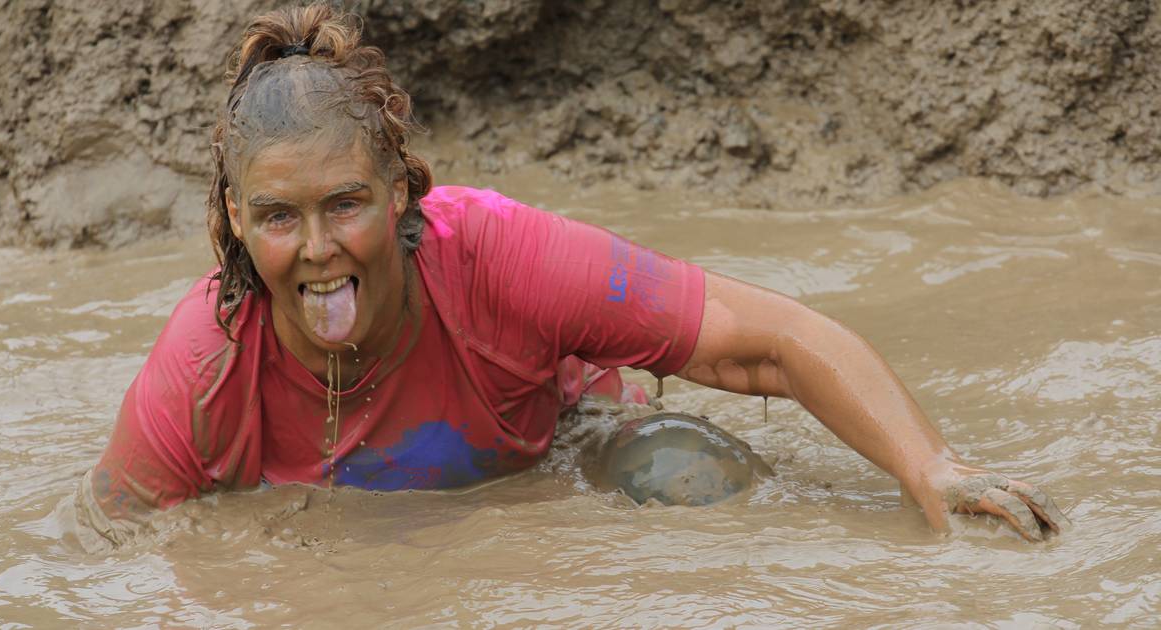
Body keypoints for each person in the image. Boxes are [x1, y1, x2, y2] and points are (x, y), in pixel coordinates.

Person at [75, 4, 1068, 546]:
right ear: (237, 223)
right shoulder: (204, 365)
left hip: (560, 456)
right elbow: (104, 547)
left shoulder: (500, 258)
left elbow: (776, 340)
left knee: (690, 469)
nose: (320, 249)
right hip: (325, 536)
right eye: (281, 219)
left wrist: (932, 468)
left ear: (399, 195)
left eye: (345, 204)